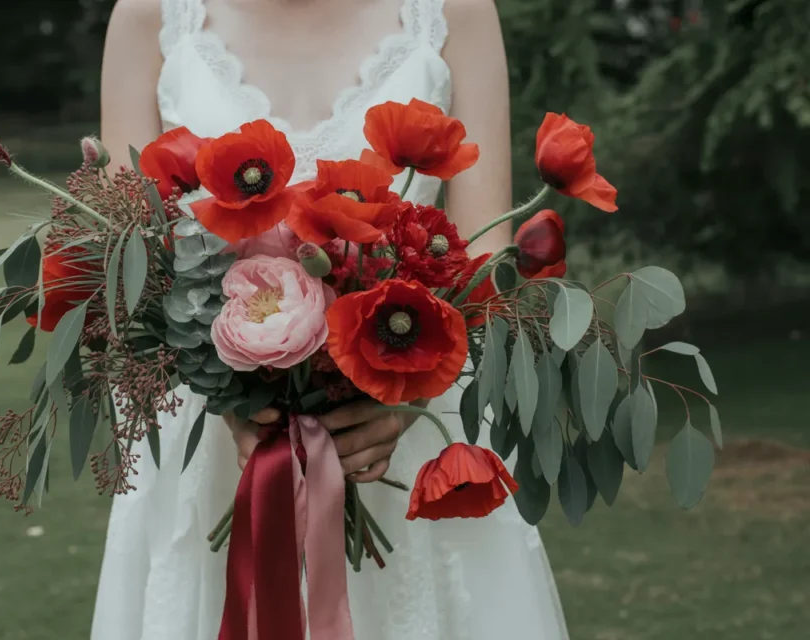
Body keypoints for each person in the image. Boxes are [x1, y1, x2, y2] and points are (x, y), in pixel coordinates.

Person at [91, 1, 570, 638]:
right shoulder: (151, 14)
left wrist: (400, 396)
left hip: (410, 433)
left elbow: (485, 262)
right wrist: (232, 396)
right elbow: (129, 260)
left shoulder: (455, 10)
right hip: (210, 443)